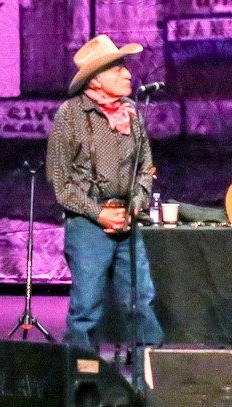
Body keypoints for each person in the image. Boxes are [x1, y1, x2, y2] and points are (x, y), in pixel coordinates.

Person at [46, 35, 163, 354]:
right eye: (117, 69)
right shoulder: (71, 115)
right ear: (96, 79)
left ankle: (149, 379)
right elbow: (60, 180)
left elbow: (145, 167)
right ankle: (82, 381)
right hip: (88, 223)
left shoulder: (131, 114)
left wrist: (132, 208)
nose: (127, 75)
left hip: (128, 221)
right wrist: (99, 213)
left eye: (125, 68)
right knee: (87, 307)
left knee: (140, 300)